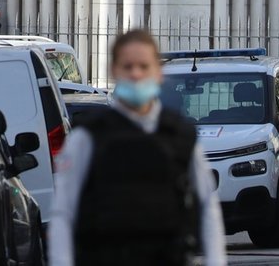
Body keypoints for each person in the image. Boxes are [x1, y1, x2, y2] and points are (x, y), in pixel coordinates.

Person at [48, 29, 226, 266]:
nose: (136, 74)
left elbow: (207, 207)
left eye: (144, 66)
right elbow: (63, 213)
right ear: (114, 71)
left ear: (158, 73)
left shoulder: (180, 135)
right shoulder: (88, 136)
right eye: (128, 66)